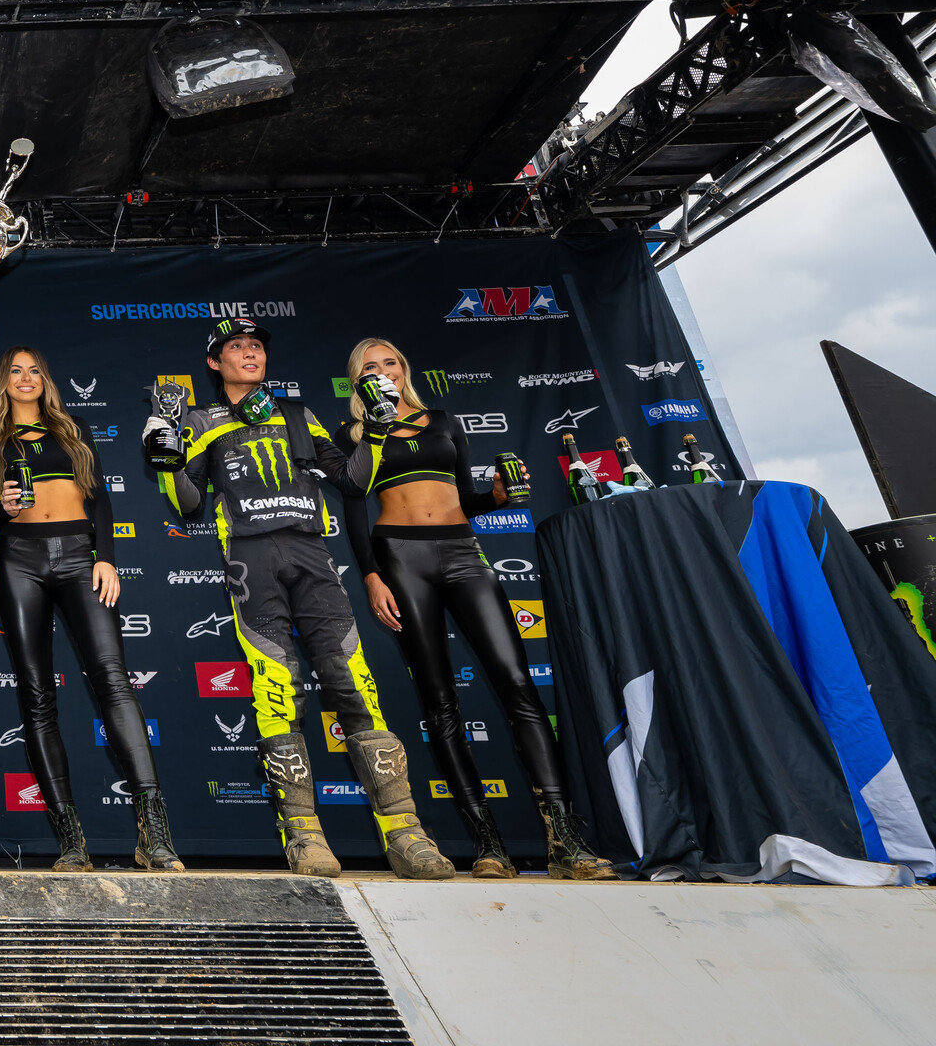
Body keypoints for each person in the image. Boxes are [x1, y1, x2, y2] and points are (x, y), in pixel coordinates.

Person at [142, 316, 454, 880]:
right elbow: (188, 505)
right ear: (215, 363)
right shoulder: (197, 419)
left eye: (256, 346)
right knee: (276, 688)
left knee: (353, 682)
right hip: (249, 564)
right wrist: (166, 467)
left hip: (312, 557)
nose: (249, 353)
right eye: (235, 347)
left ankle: (404, 832)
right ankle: (303, 834)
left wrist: (379, 432)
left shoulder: (297, 413)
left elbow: (354, 483)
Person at [337, 338, 613, 879]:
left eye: (390, 362)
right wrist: (370, 575)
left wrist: (499, 498)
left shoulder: (442, 420)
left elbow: (464, 494)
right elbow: (353, 510)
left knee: (518, 686)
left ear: (403, 369)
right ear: (357, 380)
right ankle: (488, 844)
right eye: (370, 367)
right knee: (438, 701)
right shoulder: (356, 434)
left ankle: (565, 841)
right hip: (400, 559)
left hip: (464, 553)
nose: (383, 372)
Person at [0, 346, 182, 872]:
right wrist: (4, 507)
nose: (25, 378)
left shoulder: (73, 428)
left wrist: (105, 559)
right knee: (37, 696)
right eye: (14, 371)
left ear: (46, 379)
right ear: (2, 382)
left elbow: (101, 498)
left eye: (34, 370)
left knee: (114, 680)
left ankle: (155, 833)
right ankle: (71, 841)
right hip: (18, 560)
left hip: (81, 558)